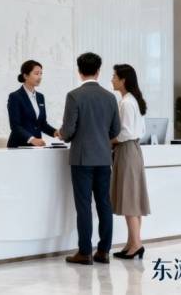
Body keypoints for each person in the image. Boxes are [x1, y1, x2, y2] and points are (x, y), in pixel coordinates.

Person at [58, 52, 121, 265]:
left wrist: (62, 133)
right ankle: (103, 251)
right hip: (103, 158)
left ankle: (85, 252)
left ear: (79, 71)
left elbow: (68, 131)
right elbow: (115, 130)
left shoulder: (74, 96)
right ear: (98, 71)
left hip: (82, 159)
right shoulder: (110, 97)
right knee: (104, 204)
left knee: (84, 206)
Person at [110, 64, 151, 260]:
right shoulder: (134, 100)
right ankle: (132, 242)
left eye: (114, 76)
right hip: (133, 150)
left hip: (126, 150)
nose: (112, 80)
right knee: (133, 198)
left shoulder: (126, 103)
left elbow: (125, 132)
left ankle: (136, 244)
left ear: (123, 80)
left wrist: (109, 141)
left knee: (129, 200)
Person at [6, 60, 57, 148]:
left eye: (41, 74)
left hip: (36, 147)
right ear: (25, 76)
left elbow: (42, 124)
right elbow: (15, 126)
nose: (40, 77)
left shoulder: (40, 97)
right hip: (18, 146)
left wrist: (55, 132)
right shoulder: (15, 97)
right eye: (36, 73)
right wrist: (32, 139)